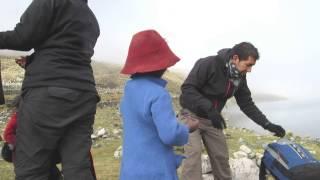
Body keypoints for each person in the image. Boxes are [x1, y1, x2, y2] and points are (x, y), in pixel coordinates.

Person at [0, 0, 100, 179]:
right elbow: (66, 53)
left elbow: (23, 37)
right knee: (78, 166)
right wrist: (34, 62)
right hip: (84, 94)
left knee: (31, 169)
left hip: (48, 95)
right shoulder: (90, 17)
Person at [179, 42, 286, 180]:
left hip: (213, 119)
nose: (249, 70)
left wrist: (267, 124)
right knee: (193, 154)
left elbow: (246, 104)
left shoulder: (239, 77)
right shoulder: (209, 63)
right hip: (190, 115)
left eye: (252, 66)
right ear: (235, 58)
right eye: (248, 65)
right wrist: (209, 108)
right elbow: (187, 89)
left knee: (221, 157)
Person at [119, 29, 199, 180]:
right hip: (155, 172)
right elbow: (170, 135)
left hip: (130, 171)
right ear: (161, 66)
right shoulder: (158, 94)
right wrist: (187, 128)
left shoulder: (128, 90)